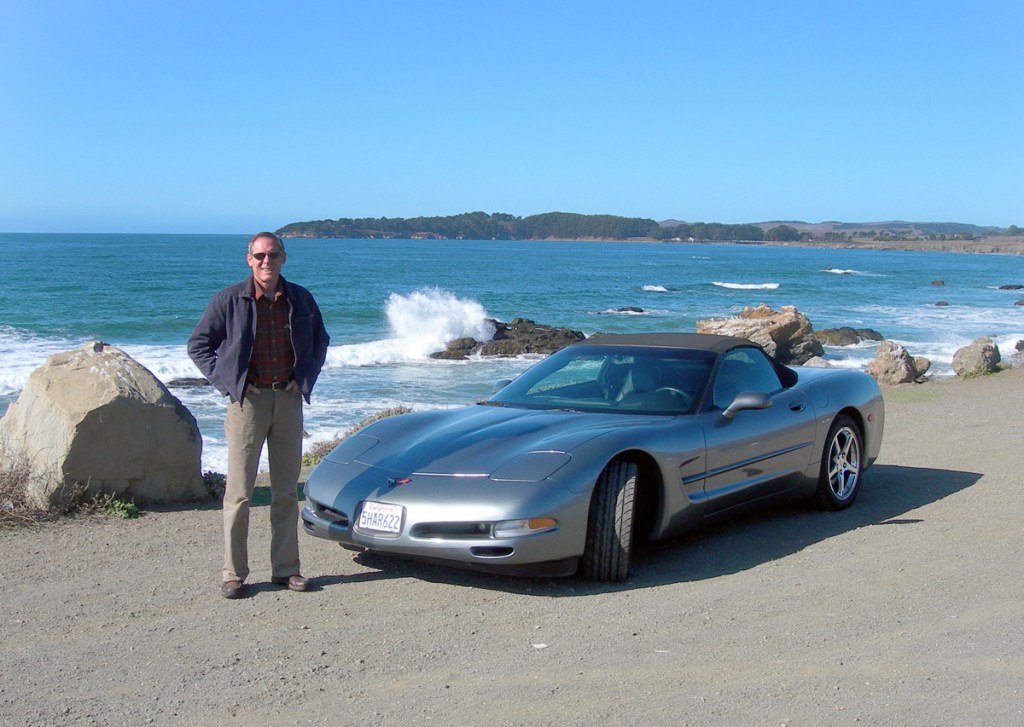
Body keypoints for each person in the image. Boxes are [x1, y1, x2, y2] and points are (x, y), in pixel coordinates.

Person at [188, 231, 330, 599]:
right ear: (248, 260)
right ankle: (233, 574)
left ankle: (287, 570)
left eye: (273, 255)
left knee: (285, 491)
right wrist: (228, 382)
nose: (267, 262)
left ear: (284, 258)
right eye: (259, 256)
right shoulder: (229, 300)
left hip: (287, 401)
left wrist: (304, 377)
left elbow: (320, 340)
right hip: (246, 406)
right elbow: (198, 345)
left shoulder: (300, 299)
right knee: (239, 494)